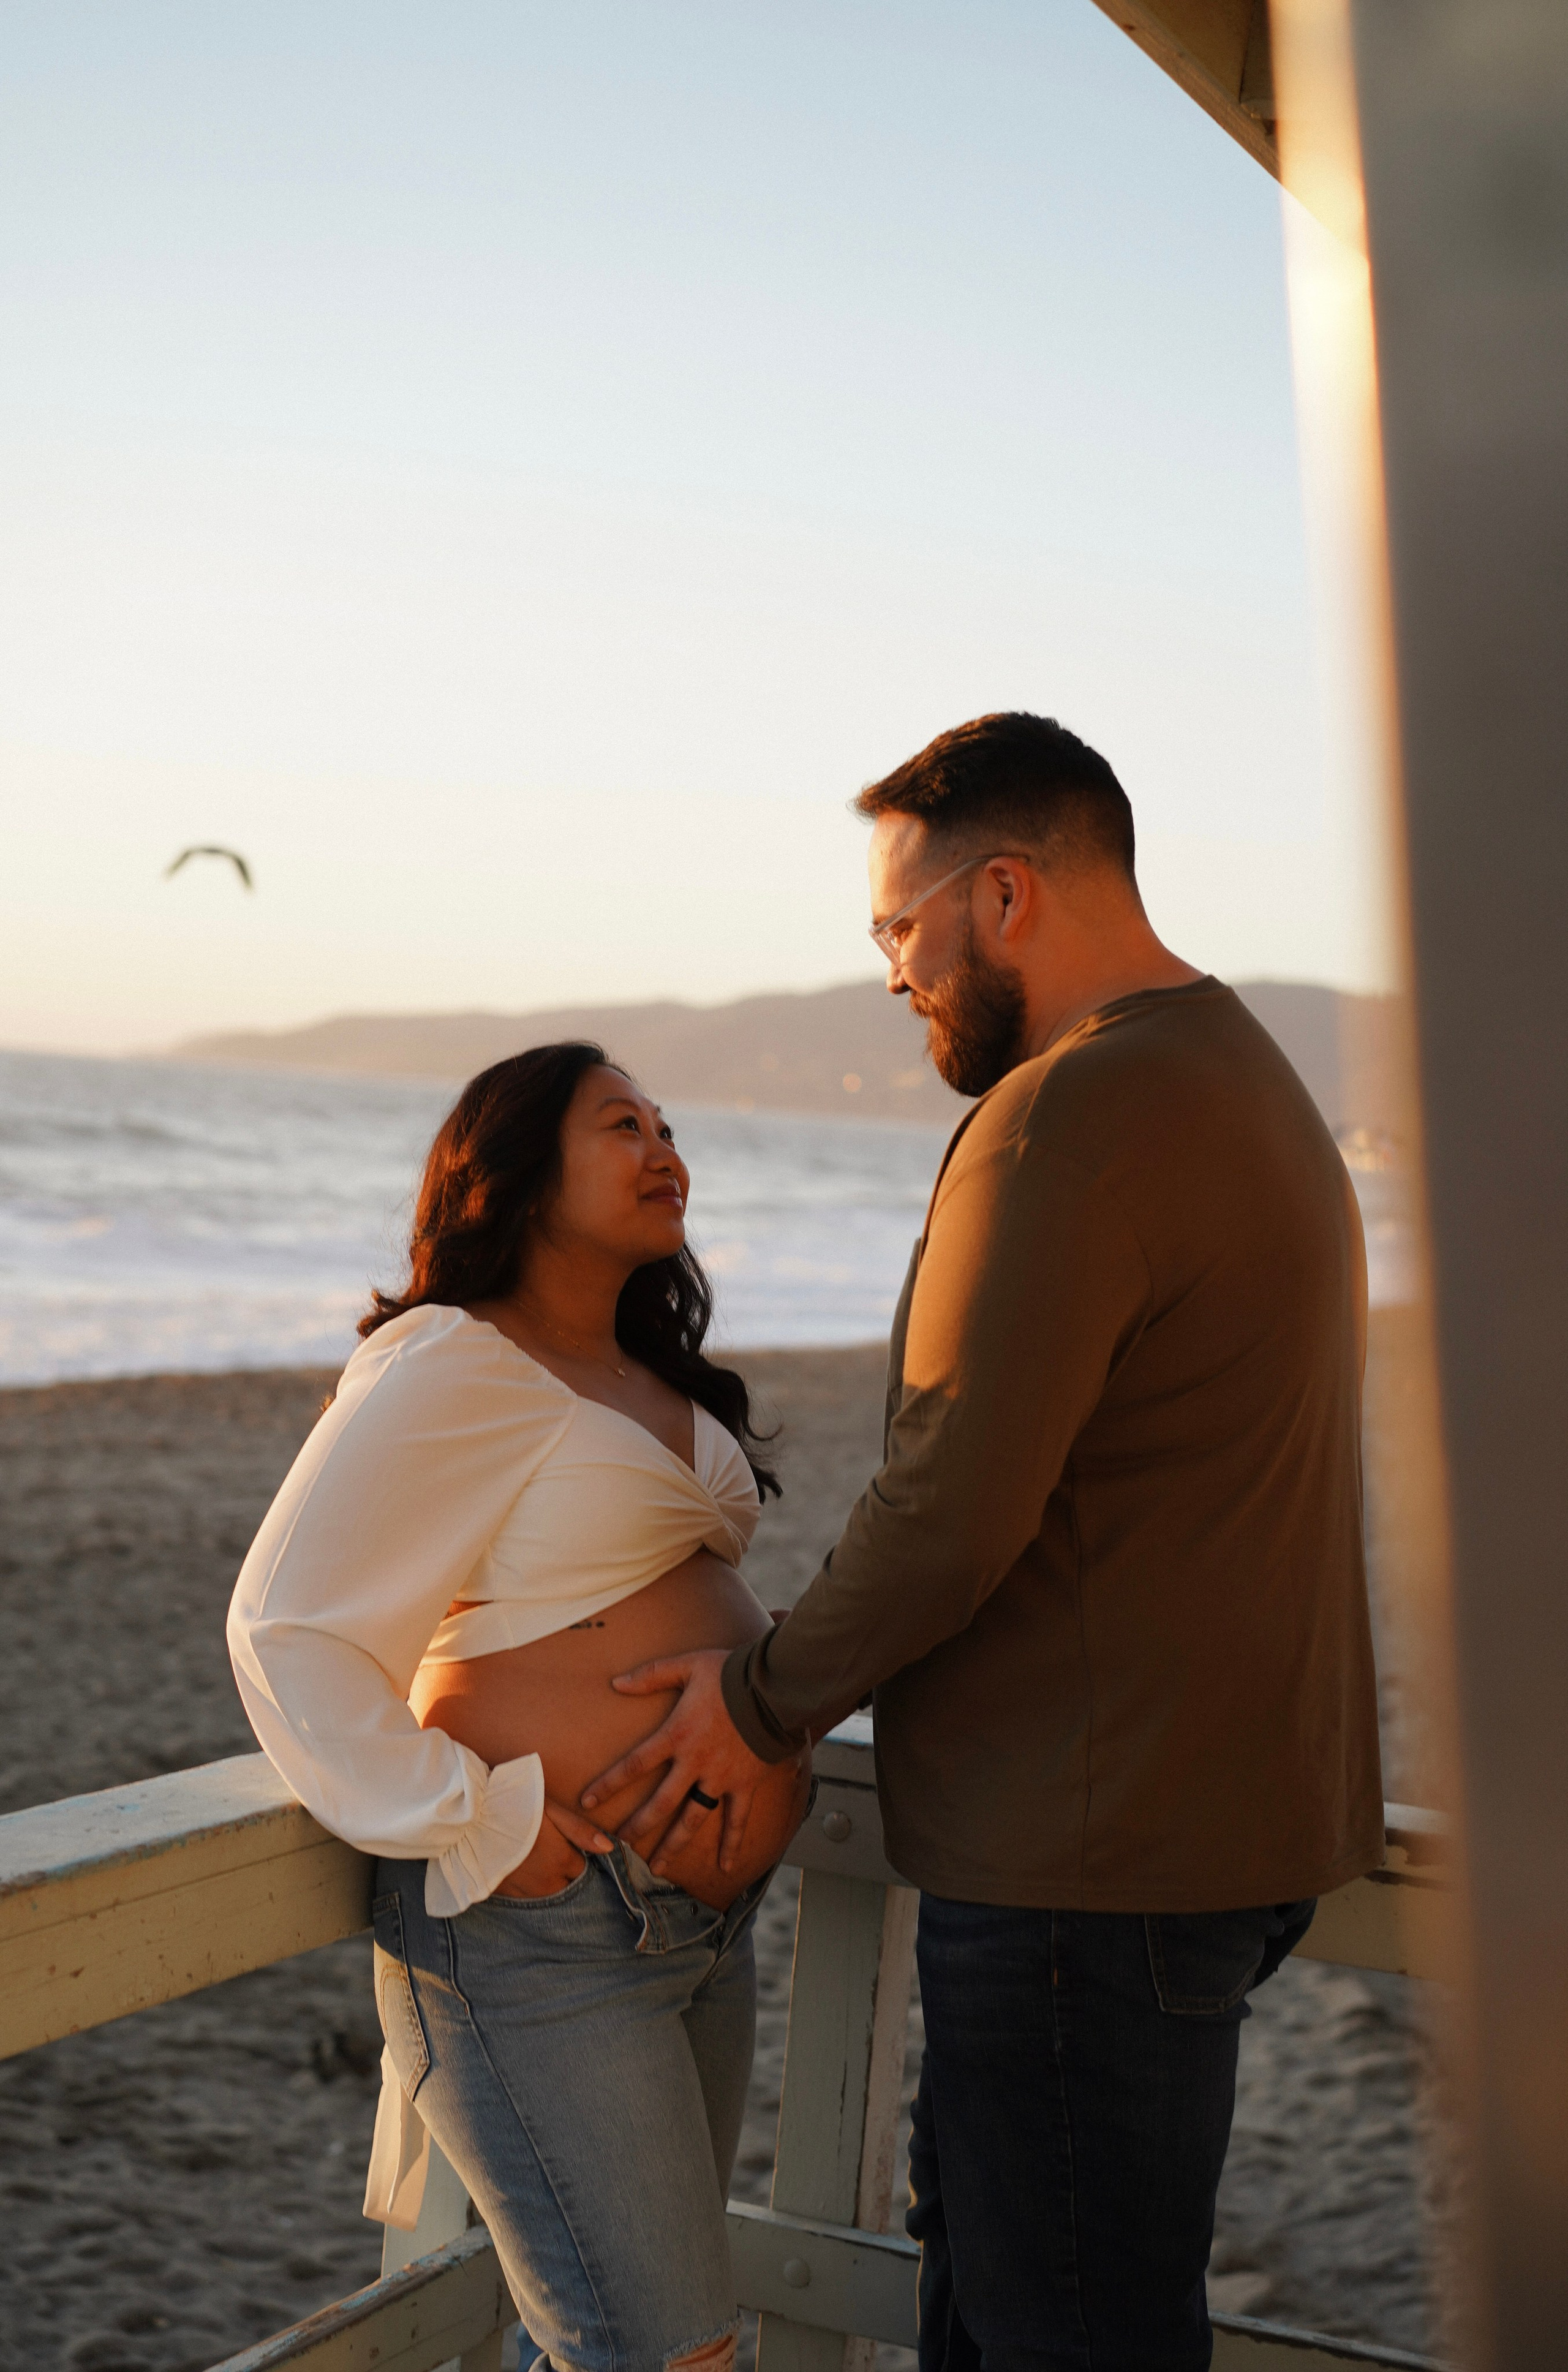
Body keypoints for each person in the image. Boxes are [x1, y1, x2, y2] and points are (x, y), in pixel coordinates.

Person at [584, 712, 1385, 2371]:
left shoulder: (1069, 1121)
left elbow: (950, 1508)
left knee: (1064, 2334)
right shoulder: (1245, 1078)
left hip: (1089, 1867)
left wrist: (757, 1702)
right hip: (1208, 1830)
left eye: (898, 927)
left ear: (1003, 894)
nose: (890, 973)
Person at [227, 1042, 811, 2372]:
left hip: (699, 1933)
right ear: (517, 1167)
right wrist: (467, 1813)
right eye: (622, 1125)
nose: (664, 1148)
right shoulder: (453, 1360)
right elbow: (285, 1624)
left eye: (667, 1124)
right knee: (668, 2356)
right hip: (543, 1934)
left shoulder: (645, 1371)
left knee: (623, 2345)